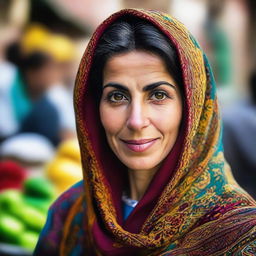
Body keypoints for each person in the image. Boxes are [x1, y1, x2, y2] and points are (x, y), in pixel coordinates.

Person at [34, 9, 256, 256]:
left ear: (192, 108)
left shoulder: (241, 232)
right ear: (93, 108)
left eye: (158, 95)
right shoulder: (69, 213)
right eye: (117, 97)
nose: (136, 121)